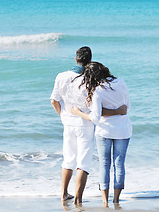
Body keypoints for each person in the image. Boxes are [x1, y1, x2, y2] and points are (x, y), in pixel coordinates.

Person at [50, 47, 126, 204]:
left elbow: (54, 101)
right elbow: (97, 111)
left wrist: (63, 116)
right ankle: (78, 199)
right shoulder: (91, 80)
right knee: (83, 162)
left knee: (68, 159)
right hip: (85, 124)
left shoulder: (61, 76)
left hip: (68, 123)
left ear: (75, 59)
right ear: (90, 61)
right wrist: (117, 111)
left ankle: (64, 194)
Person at [70, 62, 132, 207]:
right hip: (123, 129)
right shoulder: (121, 82)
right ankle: (116, 200)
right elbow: (126, 108)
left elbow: (95, 118)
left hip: (105, 130)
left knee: (104, 164)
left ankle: (105, 201)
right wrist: (116, 111)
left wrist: (77, 112)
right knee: (119, 164)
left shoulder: (98, 91)